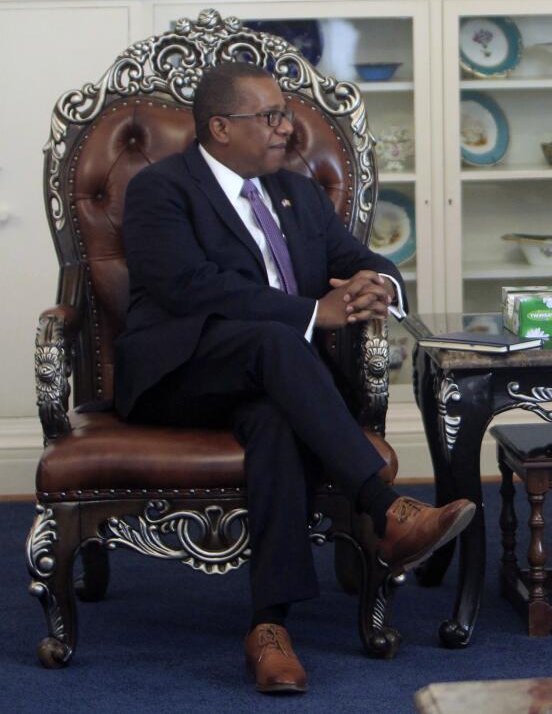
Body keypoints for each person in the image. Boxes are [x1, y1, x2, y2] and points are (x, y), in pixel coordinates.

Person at [115, 61, 475, 694]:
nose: (287, 127)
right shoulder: (161, 189)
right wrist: (314, 311)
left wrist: (377, 287)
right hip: (180, 375)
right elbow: (189, 288)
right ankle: (387, 510)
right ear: (221, 128)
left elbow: (360, 258)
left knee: (277, 418)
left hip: (275, 382)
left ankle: (268, 628)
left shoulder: (297, 192)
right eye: (271, 116)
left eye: (285, 114)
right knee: (275, 341)